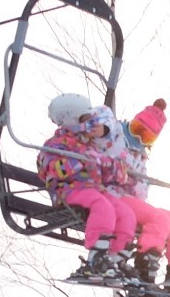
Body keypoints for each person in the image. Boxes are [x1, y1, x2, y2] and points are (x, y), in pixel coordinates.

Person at [37, 94, 136, 279]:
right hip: (68, 191)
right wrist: (81, 162)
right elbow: (51, 169)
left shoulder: (90, 146)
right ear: (71, 120)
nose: (90, 123)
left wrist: (113, 168)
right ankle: (96, 257)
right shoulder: (55, 145)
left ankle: (115, 258)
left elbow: (112, 176)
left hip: (94, 190)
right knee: (102, 206)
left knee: (125, 213)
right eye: (85, 119)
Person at [113, 99, 170, 296]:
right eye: (137, 130)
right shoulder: (112, 138)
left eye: (147, 137)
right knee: (157, 219)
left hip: (136, 205)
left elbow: (141, 193)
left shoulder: (141, 155)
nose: (140, 139)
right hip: (114, 199)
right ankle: (144, 275)